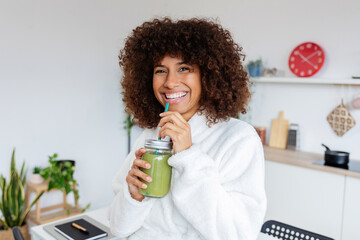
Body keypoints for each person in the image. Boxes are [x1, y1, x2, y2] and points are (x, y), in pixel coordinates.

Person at [108, 17, 266, 240]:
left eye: (184, 68)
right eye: (160, 70)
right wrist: (133, 197)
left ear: (209, 75)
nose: (170, 82)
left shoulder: (239, 138)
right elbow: (118, 228)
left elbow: (237, 235)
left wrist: (188, 155)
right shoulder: (152, 134)